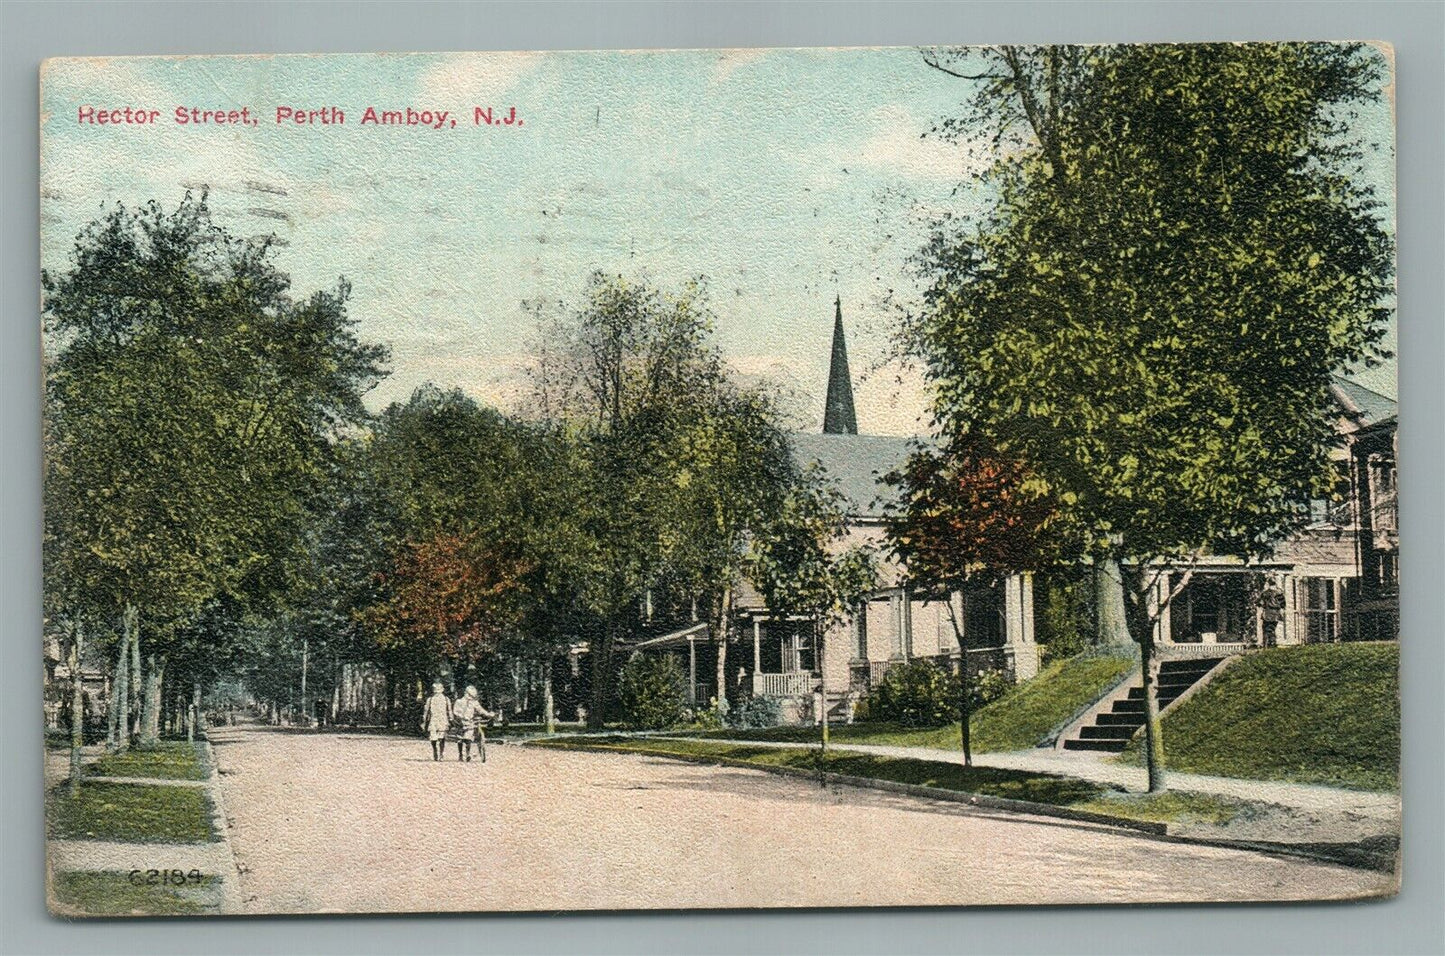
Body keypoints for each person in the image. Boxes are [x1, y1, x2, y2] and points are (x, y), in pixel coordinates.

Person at [452, 685, 495, 762]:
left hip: (470, 722)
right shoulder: (459, 702)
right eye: (469, 695)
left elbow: (480, 710)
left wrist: (488, 714)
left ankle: (467, 754)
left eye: (472, 696)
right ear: (465, 693)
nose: (470, 697)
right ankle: (460, 754)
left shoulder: (474, 702)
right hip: (460, 723)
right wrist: (460, 716)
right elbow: (455, 711)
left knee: (468, 739)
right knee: (460, 739)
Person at [421, 681, 451, 761]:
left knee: (442, 737)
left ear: (442, 689)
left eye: (438, 688)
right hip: (433, 720)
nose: (437, 690)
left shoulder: (446, 699)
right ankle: (435, 750)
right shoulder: (430, 699)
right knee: (433, 738)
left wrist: (451, 719)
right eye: (435, 689)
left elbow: (449, 710)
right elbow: (426, 710)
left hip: (443, 720)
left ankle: (441, 753)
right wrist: (424, 720)